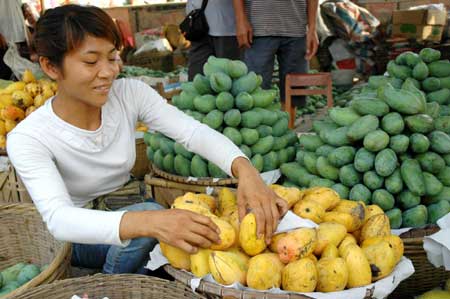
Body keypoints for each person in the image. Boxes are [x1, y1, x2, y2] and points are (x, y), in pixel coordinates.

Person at [7, 5, 287, 274]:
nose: (108, 72)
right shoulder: (28, 137)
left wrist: (244, 168)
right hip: (81, 236)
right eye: (91, 61)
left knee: (181, 236)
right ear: (51, 67)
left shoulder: (130, 94)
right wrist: (151, 220)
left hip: (129, 208)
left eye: (112, 57)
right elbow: (60, 220)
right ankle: (112, 286)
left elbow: (193, 132)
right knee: (154, 220)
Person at [232, 0, 319, 107]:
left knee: (294, 91)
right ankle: (261, 123)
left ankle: (290, 123)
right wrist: (240, 20)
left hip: (297, 28)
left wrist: (312, 27)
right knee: (255, 90)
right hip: (258, 28)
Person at [186, 0, 242, 80]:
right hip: (197, 25)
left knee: (227, 79)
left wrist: (241, 20)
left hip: (225, 28)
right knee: (196, 78)